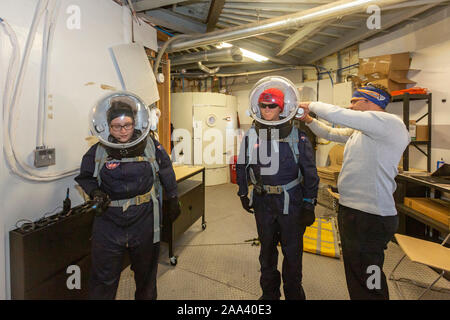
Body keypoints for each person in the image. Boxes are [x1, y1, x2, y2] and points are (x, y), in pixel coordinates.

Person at [298, 83, 409, 300]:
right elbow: (331, 132)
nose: (350, 105)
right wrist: (309, 120)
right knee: (357, 270)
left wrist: (309, 105)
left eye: (354, 101)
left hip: (371, 215)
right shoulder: (364, 130)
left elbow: (339, 116)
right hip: (354, 212)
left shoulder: (389, 123)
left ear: (371, 101)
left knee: (369, 271)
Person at [75, 98, 180, 300]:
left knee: (146, 277)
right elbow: (85, 177)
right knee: (103, 279)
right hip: (109, 221)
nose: (123, 131)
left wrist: (173, 197)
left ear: (135, 122)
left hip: (144, 219)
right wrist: (95, 192)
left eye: (128, 125)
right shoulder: (98, 150)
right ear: (108, 125)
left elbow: (166, 170)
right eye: (116, 126)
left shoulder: (151, 146)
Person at [236, 87, 320, 300]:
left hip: (291, 203)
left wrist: (309, 205)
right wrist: (244, 192)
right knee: (267, 252)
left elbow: (310, 174)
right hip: (264, 203)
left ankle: (294, 295)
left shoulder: (297, 137)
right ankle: (269, 295)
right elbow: (242, 165)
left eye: (272, 105)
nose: (266, 110)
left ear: (282, 107)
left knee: (292, 254)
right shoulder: (252, 135)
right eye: (263, 105)